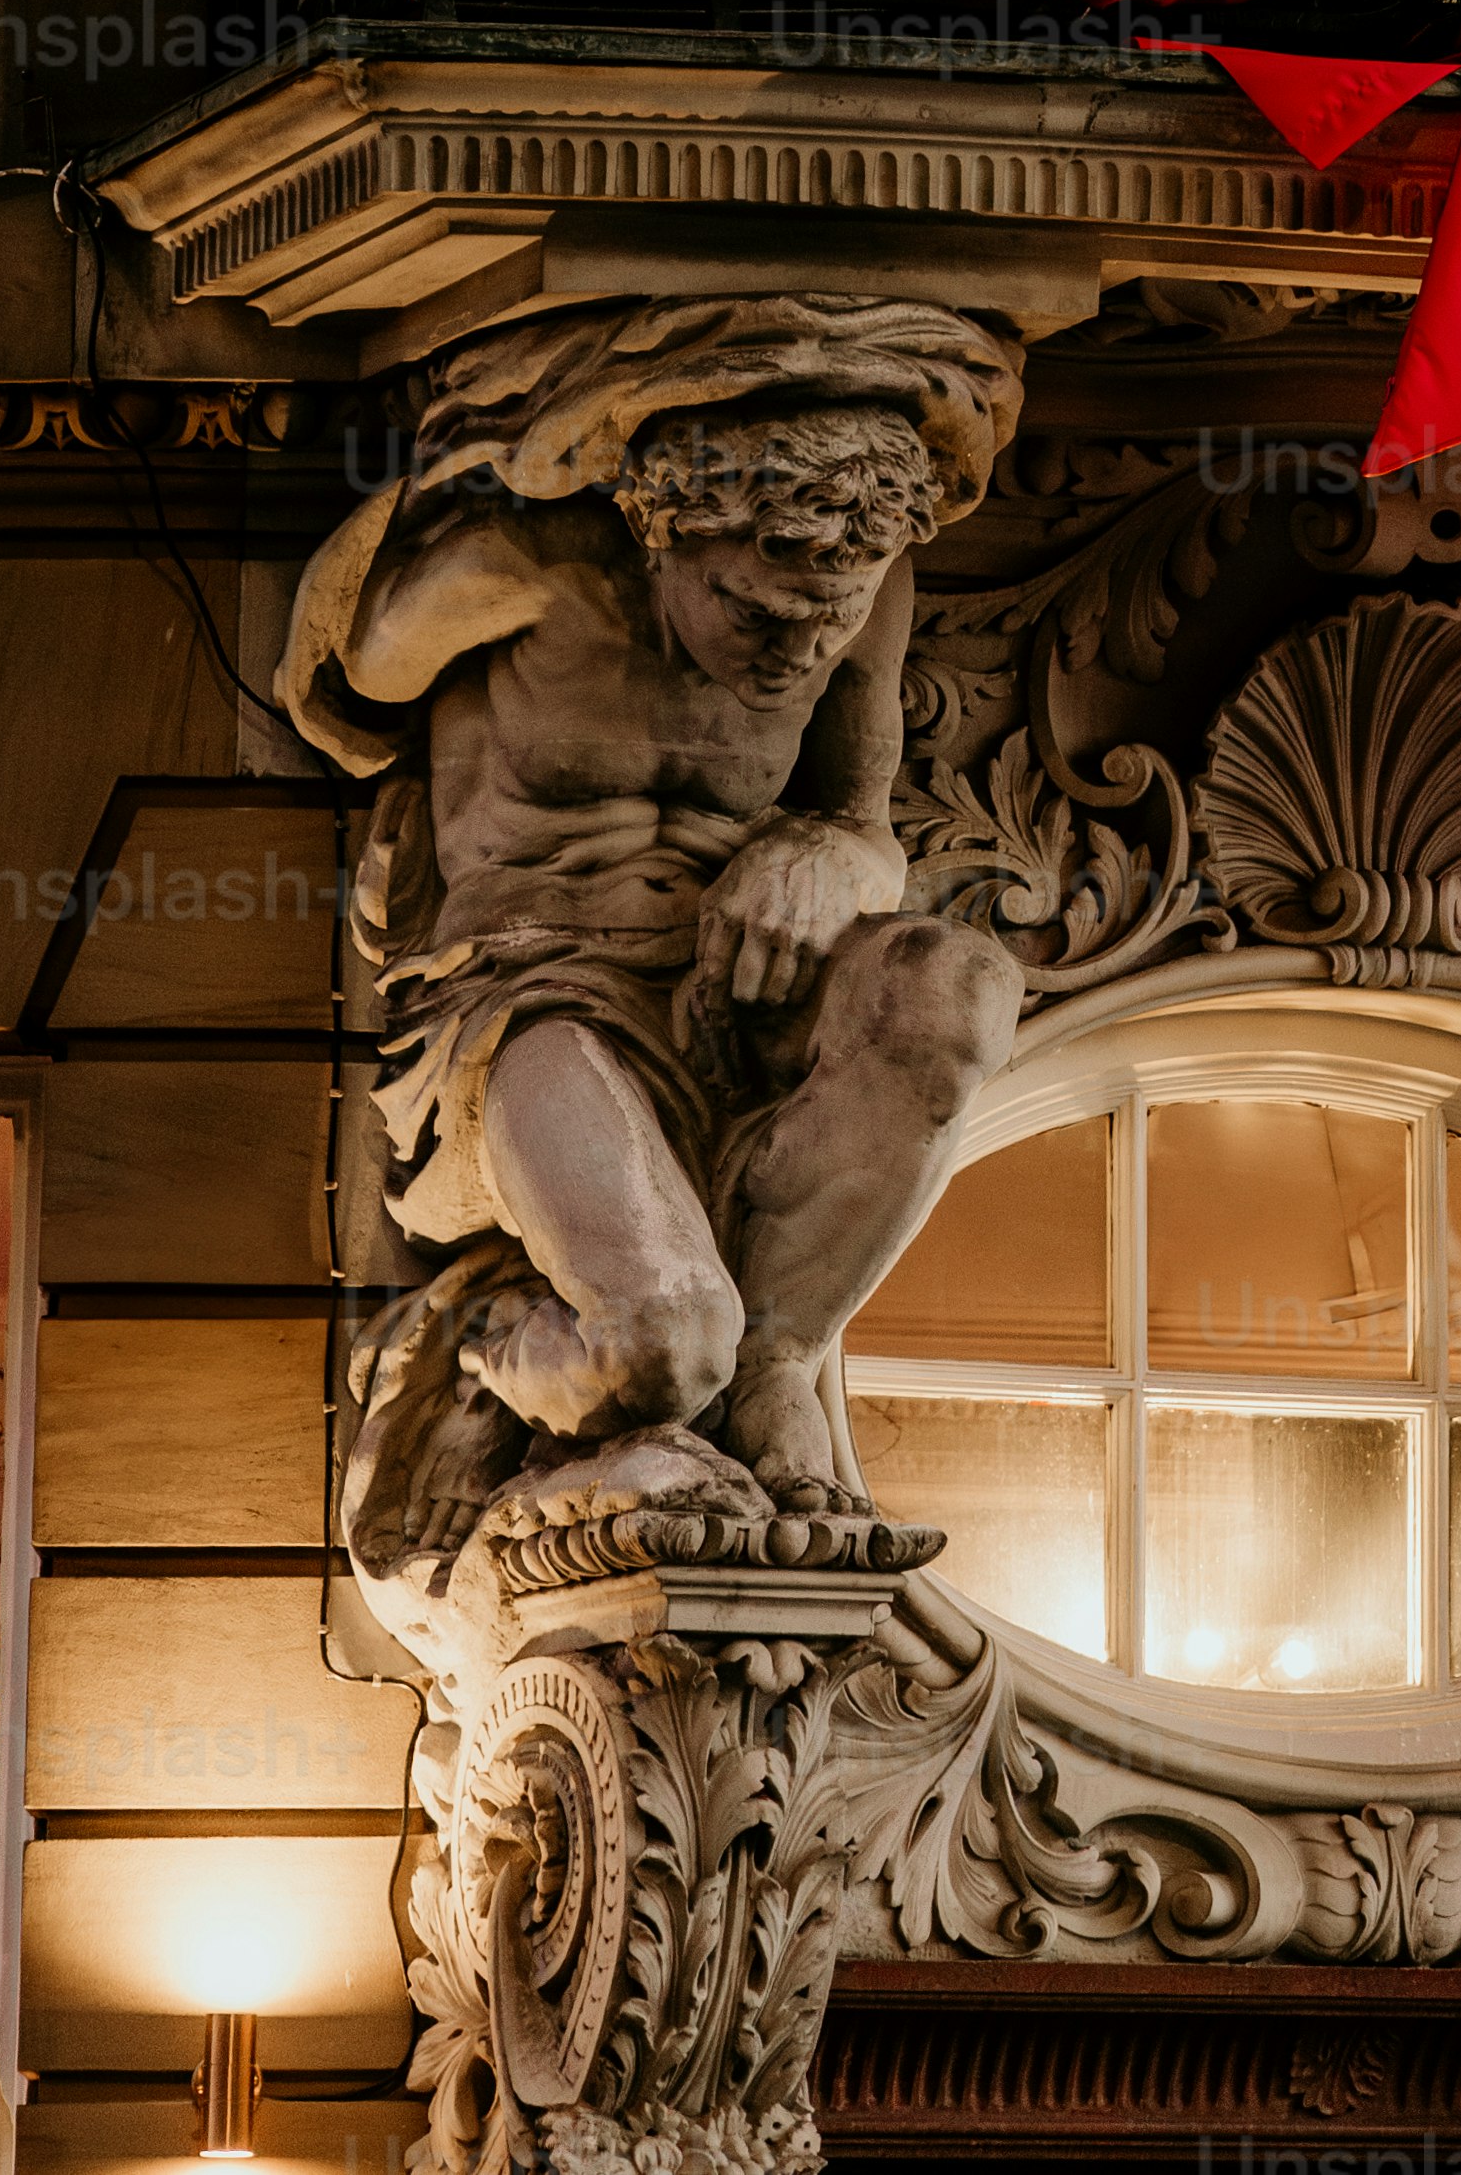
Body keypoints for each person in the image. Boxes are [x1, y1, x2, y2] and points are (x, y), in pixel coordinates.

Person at [283, 294, 1023, 1562]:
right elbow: (338, 685)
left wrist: (821, 855)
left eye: (829, 618)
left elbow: (864, 822)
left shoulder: (860, 585)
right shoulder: (526, 568)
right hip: (525, 1011)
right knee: (668, 1342)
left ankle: (782, 1355)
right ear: (662, 535)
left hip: (739, 998)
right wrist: (498, 467)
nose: (799, 652)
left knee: (955, 983)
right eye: (755, 610)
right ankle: (495, 1358)